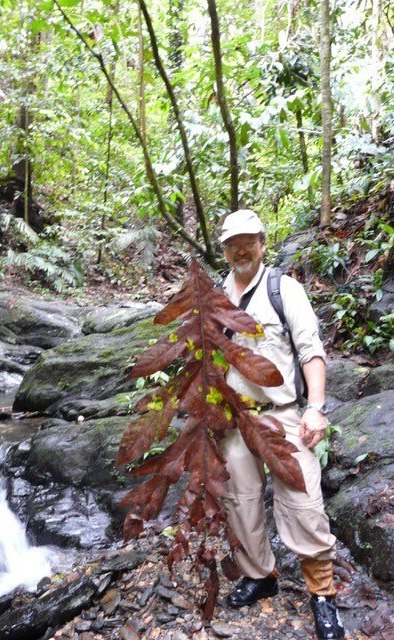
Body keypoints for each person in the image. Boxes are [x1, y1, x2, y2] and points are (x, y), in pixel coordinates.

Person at [219, 209, 345, 640]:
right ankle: (261, 576)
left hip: (282, 415)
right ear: (223, 249)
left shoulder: (282, 289)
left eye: (248, 241)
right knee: (241, 502)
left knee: (304, 503)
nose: (240, 249)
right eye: (232, 243)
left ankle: (323, 594)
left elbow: (310, 350)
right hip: (235, 422)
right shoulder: (216, 297)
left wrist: (316, 407)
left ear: (262, 243)